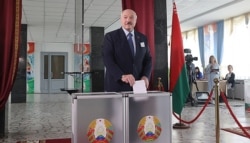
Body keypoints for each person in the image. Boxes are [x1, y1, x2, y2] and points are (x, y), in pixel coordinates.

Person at [102, 9, 152, 92]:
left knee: (138, 105)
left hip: (138, 86)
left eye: (131, 18)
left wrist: (146, 76)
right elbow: (107, 59)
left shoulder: (143, 38)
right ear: (121, 19)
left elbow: (148, 59)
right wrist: (122, 75)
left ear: (135, 20)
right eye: (125, 17)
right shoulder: (110, 37)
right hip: (117, 86)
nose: (128, 20)